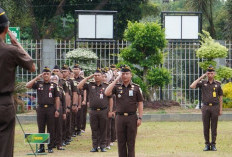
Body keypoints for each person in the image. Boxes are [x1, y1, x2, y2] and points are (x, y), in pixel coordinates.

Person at [0, 7, 35, 157]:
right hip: (4, 103)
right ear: (7, 28)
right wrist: (16, 43)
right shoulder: (10, 51)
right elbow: (32, 66)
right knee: (5, 145)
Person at [105, 65, 143, 157]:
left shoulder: (136, 88)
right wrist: (116, 79)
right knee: (121, 142)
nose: (125, 76)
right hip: (120, 118)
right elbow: (106, 92)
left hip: (132, 117)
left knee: (131, 142)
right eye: (123, 74)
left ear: (131, 75)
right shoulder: (117, 87)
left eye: (127, 74)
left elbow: (140, 103)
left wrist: (140, 117)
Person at [78, 68, 113, 152]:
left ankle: (103, 146)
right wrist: (88, 78)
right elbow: (79, 86)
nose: (96, 77)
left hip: (103, 110)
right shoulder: (90, 85)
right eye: (95, 75)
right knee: (94, 129)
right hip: (93, 111)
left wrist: (110, 111)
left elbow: (110, 99)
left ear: (102, 76)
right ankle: (95, 146)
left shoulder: (106, 85)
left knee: (103, 129)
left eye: (98, 75)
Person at [26, 67, 60, 153]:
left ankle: (50, 147)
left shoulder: (54, 86)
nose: (46, 75)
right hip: (41, 108)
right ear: (42, 75)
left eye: (47, 74)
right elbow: (27, 85)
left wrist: (57, 110)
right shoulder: (38, 84)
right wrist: (37, 78)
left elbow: (57, 99)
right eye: (44, 74)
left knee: (51, 128)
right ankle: (41, 147)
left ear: (50, 75)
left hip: (51, 108)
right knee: (41, 128)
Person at [190, 65, 223, 151]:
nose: (210, 75)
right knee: (206, 126)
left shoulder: (218, 84)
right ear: (207, 74)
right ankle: (207, 144)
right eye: (208, 73)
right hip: (205, 107)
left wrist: (220, 109)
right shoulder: (203, 83)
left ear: (214, 74)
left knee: (214, 127)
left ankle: (213, 144)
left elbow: (220, 97)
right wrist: (201, 77)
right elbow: (192, 86)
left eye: (212, 73)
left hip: (215, 107)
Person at [50, 74, 66, 150]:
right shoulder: (48, 88)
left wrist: (64, 112)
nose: (54, 80)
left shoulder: (60, 89)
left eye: (55, 79)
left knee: (59, 127)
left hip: (59, 108)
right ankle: (51, 143)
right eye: (52, 79)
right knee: (51, 127)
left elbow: (64, 101)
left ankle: (59, 144)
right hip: (50, 109)